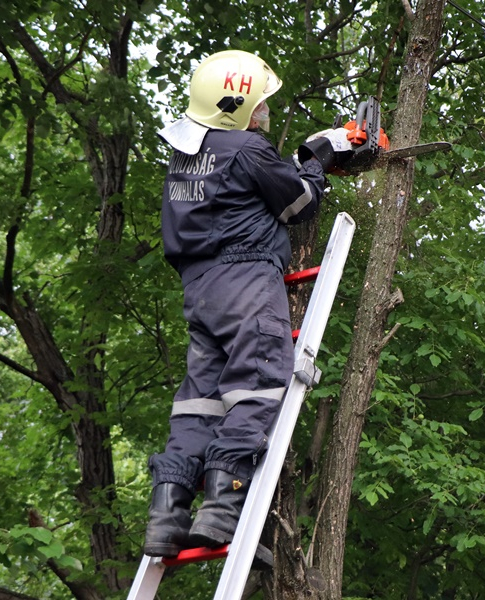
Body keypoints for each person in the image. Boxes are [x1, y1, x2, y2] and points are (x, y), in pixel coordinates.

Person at [143, 50, 351, 568]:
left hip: (200, 291)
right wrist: (320, 155)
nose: (263, 110)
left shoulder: (185, 155)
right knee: (258, 383)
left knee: (200, 401)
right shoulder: (246, 148)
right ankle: (221, 510)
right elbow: (298, 202)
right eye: (258, 102)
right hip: (246, 282)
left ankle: (167, 514)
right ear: (236, 105)